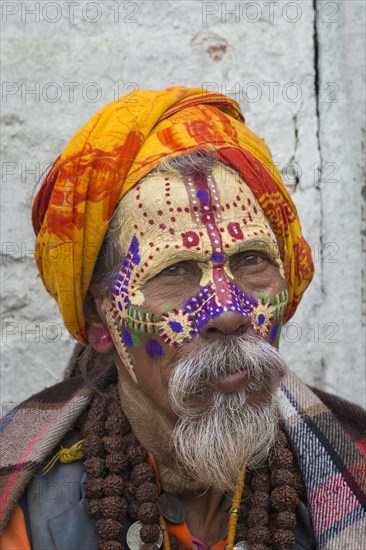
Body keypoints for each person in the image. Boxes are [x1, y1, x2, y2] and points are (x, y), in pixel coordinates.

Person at [0, 87, 365, 550]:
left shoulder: (352, 466)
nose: (228, 312)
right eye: (174, 269)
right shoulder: (23, 511)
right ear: (99, 317)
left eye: (251, 260)